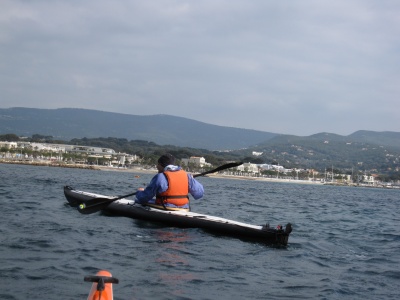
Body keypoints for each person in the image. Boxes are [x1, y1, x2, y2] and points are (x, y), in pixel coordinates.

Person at [135, 153, 204, 211]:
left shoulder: (160, 176)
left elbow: (144, 198)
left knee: (139, 200)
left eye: (158, 164)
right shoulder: (187, 176)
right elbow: (199, 194)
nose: (157, 167)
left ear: (160, 165)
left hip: (166, 207)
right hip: (183, 208)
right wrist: (192, 180)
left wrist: (139, 192)